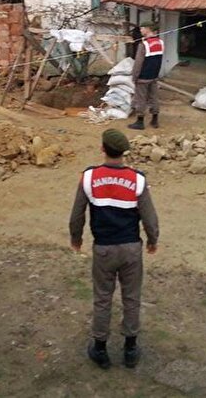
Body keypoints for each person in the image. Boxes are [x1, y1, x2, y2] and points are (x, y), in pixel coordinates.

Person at [69, 129, 159, 370]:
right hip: (131, 249)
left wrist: (76, 238)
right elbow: (149, 217)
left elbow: (77, 214)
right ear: (124, 153)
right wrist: (153, 240)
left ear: (102, 149)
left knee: (102, 298)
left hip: (103, 249)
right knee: (131, 297)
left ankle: (100, 349)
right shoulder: (138, 180)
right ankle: (130, 349)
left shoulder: (89, 178)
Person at [128, 22, 163, 130]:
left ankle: (140, 122)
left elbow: (138, 63)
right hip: (154, 75)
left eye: (142, 28)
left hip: (143, 76)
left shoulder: (144, 44)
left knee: (141, 98)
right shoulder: (160, 42)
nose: (141, 30)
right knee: (154, 97)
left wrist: (134, 76)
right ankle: (155, 120)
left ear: (148, 29)